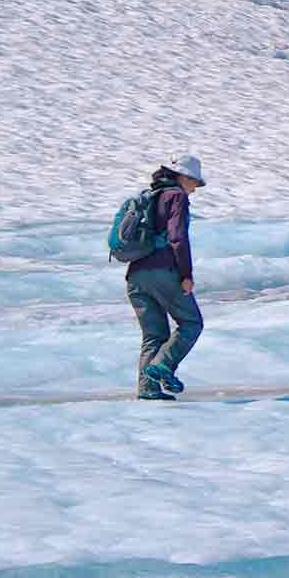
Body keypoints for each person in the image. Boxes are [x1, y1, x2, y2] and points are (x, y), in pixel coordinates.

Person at [129, 153, 206, 401]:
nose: (194, 189)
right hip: (163, 272)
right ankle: (162, 366)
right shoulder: (176, 197)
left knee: (154, 335)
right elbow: (177, 237)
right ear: (184, 177)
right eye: (195, 182)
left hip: (136, 275)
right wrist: (186, 274)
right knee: (192, 323)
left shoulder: (151, 196)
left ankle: (148, 389)